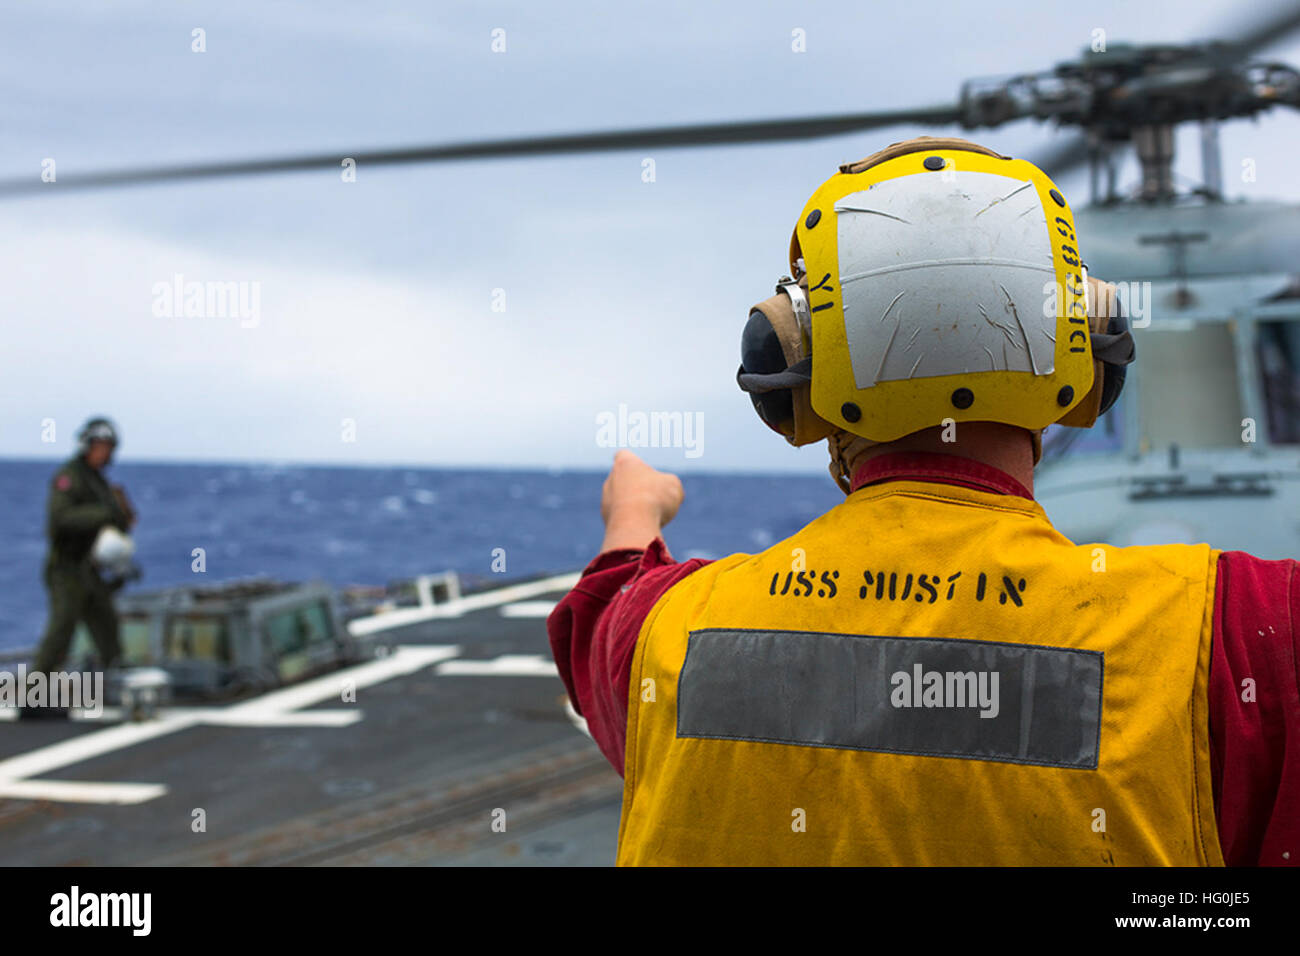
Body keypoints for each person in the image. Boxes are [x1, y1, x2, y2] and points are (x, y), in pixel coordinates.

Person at [547, 137, 1299, 866]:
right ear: (1091, 351)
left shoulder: (665, 632)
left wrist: (631, 520)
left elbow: (602, 632)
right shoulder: (1240, 628)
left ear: (792, 368)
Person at [26, 417, 136, 718]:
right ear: (88, 445)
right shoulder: (69, 477)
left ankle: (118, 687)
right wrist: (105, 513)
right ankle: (31, 700)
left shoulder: (98, 480)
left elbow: (117, 522)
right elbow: (60, 521)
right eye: (99, 446)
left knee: (107, 626)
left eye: (107, 447)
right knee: (61, 632)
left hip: (91, 571)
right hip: (67, 570)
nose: (103, 452)